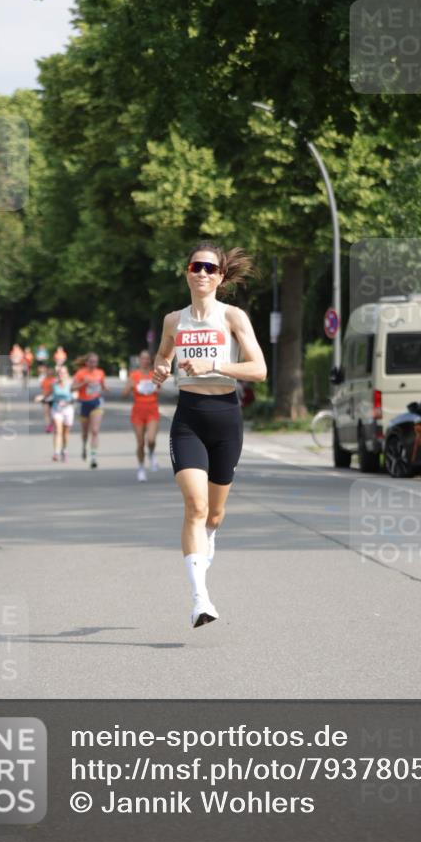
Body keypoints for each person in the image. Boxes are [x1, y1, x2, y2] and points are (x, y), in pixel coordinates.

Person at [152, 243, 267, 628]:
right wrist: (161, 369)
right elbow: (163, 356)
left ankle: (207, 542)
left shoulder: (232, 316)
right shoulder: (173, 321)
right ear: (187, 272)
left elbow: (259, 369)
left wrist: (213, 364)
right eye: (195, 266)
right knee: (195, 507)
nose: (202, 272)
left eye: (210, 268)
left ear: (220, 277)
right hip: (188, 418)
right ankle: (201, 599)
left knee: (214, 514)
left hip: (225, 418)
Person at [122, 349, 160, 482]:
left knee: (151, 439)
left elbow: (158, 389)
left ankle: (152, 453)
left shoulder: (154, 374)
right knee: (140, 443)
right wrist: (130, 387)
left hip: (152, 410)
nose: (145, 361)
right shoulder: (134, 376)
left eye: (147, 358)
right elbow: (124, 395)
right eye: (142, 358)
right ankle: (141, 468)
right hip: (138, 411)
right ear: (139, 360)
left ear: (150, 360)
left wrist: (156, 386)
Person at [72, 353, 107, 468]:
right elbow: (72, 388)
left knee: (95, 430)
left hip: (96, 403)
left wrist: (105, 389)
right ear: (86, 362)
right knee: (85, 432)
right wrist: (83, 383)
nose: (93, 364)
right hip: (83, 404)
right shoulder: (80, 373)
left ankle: (93, 457)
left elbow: (103, 386)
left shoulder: (100, 373)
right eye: (91, 362)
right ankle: (84, 445)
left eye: (95, 362)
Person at [48, 365, 75, 462]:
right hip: (56, 409)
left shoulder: (71, 383)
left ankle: (65, 450)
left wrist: (68, 402)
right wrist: (41, 397)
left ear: (67, 374)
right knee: (58, 431)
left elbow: (75, 396)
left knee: (66, 433)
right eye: (59, 373)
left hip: (68, 409)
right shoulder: (53, 383)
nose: (61, 375)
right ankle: (56, 452)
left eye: (63, 373)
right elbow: (49, 394)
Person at [38, 365, 56, 432]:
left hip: (53, 399)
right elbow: (42, 388)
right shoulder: (44, 380)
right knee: (46, 413)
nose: (49, 373)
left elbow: (55, 390)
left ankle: (52, 424)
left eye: (50, 372)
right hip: (45, 398)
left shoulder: (55, 380)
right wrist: (42, 395)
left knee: (53, 413)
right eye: (48, 372)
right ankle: (48, 426)